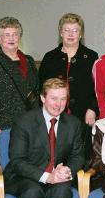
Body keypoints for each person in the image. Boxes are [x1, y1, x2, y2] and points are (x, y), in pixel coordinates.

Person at [3, 78, 85, 198]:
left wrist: (68, 171)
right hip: (26, 176)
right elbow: (17, 161)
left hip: (58, 176)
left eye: (63, 99)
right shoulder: (25, 121)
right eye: (54, 99)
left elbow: (78, 156)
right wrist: (46, 177)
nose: (58, 104)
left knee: (63, 191)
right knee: (32, 193)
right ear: (42, 98)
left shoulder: (73, 123)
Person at [38, 13, 98, 160]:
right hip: (55, 116)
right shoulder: (49, 57)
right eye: (67, 30)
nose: (71, 34)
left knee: (82, 158)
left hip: (83, 116)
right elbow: (41, 88)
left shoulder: (91, 56)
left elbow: (97, 87)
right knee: (57, 156)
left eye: (75, 30)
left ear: (81, 33)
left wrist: (93, 108)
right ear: (60, 32)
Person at [0, 16, 39, 163]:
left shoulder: (29, 61)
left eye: (15, 34)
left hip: (30, 124)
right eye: (6, 35)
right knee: (8, 171)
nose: (11, 38)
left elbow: (37, 91)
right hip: (4, 125)